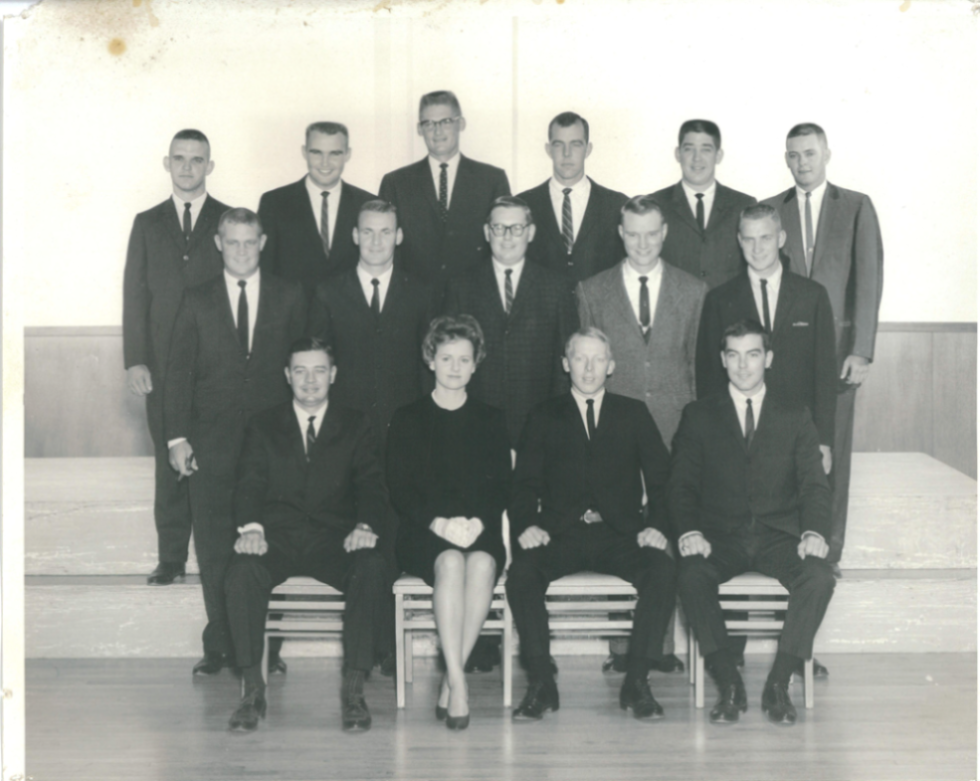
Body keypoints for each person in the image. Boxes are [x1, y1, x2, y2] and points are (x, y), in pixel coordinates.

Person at [671, 319, 836, 726]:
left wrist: (813, 532)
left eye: (753, 354)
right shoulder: (698, 415)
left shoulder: (794, 414)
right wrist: (689, 532)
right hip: (719, 538)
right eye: (733, 355)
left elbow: (815, 485)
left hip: (778, 537)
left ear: (769, 358)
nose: (743, 366)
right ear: (723, 359)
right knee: (691, 575)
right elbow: (679, 487)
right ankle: (728, 682)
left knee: (819, 577)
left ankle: (779, 682)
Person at [164, 208, 307, 676]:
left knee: (272, 540)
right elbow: (179, 373)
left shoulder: (290, 296)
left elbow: (306, 370)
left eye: (250, 242)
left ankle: (269, 646)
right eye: (233, 242)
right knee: (214, 545)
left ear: (263, 242)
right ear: (218, 245)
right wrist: (178, 437)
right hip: (212, 441)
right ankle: (221, 643)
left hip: (273, 444)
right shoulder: (197, 299)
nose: (242, 251)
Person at [507, 328, 676, 722]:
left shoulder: (633, 413)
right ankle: (541, 682)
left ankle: (636, 682)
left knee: (663, 569)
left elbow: (663, 480)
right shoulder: (543, 415)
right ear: (566, 364)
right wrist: (526, 525)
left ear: (611, 366)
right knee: (522, 574)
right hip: (559, 533)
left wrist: (658, 526)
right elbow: (522, 485)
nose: (588, 367)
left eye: (597, 359)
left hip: (619, 535)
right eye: (579, 358)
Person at [224, 337, 391, 733]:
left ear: (333, 375)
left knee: (372, 566)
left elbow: (372, 484)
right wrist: (251, 529)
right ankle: (252, 691)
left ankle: (353, 691)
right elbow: (248, 483)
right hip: (276, 537)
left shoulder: (356, 423)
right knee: (240, 573)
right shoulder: (263, 424)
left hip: (334, 539)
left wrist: (365, 526)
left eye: (319, 370)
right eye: (300, 371)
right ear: (287, 376)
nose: (310, 380)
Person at [576, 195, 706, 674]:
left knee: (668, 521)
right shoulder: (593, 289)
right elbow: (589, 362)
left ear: (665, 233)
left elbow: (695, 364)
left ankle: (659, 646)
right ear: (620, 233)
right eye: (633, 233)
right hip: (616, 428)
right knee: (619, 519)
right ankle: (620, 647)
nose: (643, 242)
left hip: (676, 424)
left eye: (652, 233)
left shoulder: (694, 290)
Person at [763, 123, 884, 569]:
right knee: (786, 452)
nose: (802, 163)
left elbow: (868, 281)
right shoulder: (771, 210)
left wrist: (862, 349)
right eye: (793, 155)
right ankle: (789, 542)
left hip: (838, 358)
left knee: (834, 452)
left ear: (826, 154)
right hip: (786, 358)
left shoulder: (855, 207)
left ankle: (828, 552)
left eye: (809, 153)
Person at [387, 315, 512, 730]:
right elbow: (400, 489)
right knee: (451, 563)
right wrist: (440, 525)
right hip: (424, 531)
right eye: (446, 358)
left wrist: (478, 523)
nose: (455, 367)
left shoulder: (492, 419)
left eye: (464, 359)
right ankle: (458, 684)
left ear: (476, 363)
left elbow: (500, 486)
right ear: (430, 360)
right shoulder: (408, 417)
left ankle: (450, 680)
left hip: (480, 528)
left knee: (479, 562)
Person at [122, 129, 229, 587]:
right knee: (169, 458)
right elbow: (135, 294)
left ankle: (219, 553)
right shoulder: (147, 223)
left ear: (211, 165)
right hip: (163, 366)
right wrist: (136, 360)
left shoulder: (230, 220)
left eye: (197, 159)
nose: (188, 167)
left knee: (218, 458)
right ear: (167, 163)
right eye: (180, 159)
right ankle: (171, 557)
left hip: (216, 364)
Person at [696, 204, 837, 464]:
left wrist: (824, 439)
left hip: (799, 433)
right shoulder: (719, 299)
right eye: (749, 239)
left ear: (781, 239)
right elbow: (709, 377)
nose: (757, 248)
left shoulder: (812, 296)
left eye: (766, 238)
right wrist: (713, 437)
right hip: (739, 433)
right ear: (739, 241)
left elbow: (826, 375)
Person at [445, 195, 579, 447]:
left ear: (530, 233)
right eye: (499, 228)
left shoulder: (557, 287)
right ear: (487, 232)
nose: (507, 237)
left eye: (516, 228)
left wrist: (556, 424)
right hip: (475, 424)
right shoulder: (461, 286)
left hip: (538, 425)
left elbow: (565, 364)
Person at [307, 200, 434, 455]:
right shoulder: (328, 293)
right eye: (368, 232)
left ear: (398, 237)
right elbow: (317, 363)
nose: (376, 242)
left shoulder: (421, 293)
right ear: (355, 235)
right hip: (345, 427)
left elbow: (428, 367)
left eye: (385, 232)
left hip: (406, 427)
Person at [379, 90, 510, 300]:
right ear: (419, 129)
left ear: (461, 123)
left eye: (445, 121)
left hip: (476, 301)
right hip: (413, 305)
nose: (437, 131)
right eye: (429, 123)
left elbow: (505, 247)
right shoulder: (396, 183)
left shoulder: (492, 180)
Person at [258, 122, 375, 301]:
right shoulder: (274, 203)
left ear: (347, 154)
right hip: (294, 322)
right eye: (316, 152)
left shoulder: (367, 204)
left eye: (334, 153)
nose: (325, 163)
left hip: (351, 322)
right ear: (304, 152)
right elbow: (264, 272)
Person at [518, 112, 627, 288]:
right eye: (558, 144)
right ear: (548, 149)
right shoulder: (523, 205)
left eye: (575, 145)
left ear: (588, 149)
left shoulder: (616, 206)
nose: (566, 153)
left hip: (598, 314)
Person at [651, 119, 756, 289]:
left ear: (718, 155)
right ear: (678, 154)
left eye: (706, 149)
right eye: (689, 149)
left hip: (729, 312)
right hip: (673, 312)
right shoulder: (655, 205)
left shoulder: (743, 205)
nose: (697, 158)